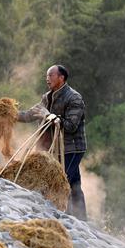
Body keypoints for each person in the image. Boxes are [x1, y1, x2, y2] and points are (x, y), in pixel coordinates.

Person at [18, 65, 87, 220]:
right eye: (46, 76)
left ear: (61, 78)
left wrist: (48, 115)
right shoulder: (47, 97)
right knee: (74, 184)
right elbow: (30, 115)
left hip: (71, 148)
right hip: (54, 148)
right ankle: (81, 220)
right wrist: (11, 115)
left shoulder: (74, 98)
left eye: (50, 75)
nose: (47, 79)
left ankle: (65, 217)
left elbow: (71, 126)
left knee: (61, 181)